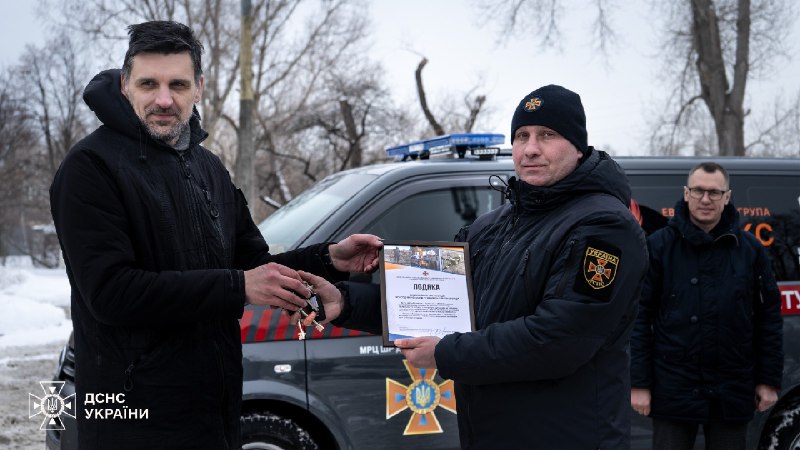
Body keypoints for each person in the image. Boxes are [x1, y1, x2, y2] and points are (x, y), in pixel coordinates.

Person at [49, 21, 381, 450]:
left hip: (213, 412)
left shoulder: (208, 167)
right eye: (149, 84)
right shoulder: (90, 168)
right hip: (135, 422)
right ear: (126, 85)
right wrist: (238, 287)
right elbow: (112, 293)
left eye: (178, 84)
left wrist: (329, 258)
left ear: (199, 88)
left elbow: (253, 266)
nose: (164, 99)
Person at [298, 84, 649, 449]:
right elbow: (439, 305)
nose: (530, 148)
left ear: (577, 146)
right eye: (522, 136)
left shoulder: (603, 227)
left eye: (547, 135)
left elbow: (560, 340)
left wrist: (445, 354)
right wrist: (345, 301)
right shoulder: (494, 225)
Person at [630, 162, 783, 449]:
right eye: (698, 190)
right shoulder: (659, 246)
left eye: (714, 192)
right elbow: (638, 318)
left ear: (727, 197)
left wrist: (768, 380)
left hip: (732, 387)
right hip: (673, 385)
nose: (705, 199)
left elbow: (768, 319)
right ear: (686, 193)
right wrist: (640, 383)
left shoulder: (750, 250)